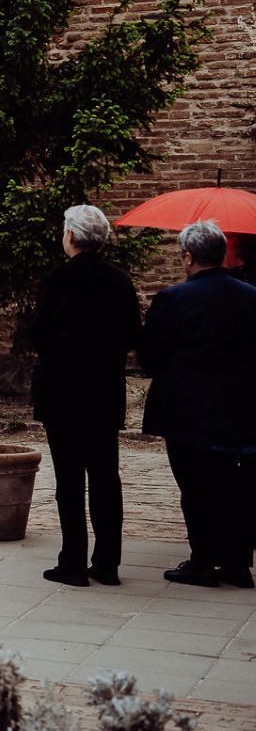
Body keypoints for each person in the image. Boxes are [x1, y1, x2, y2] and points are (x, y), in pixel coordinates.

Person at [139, 219, 256, 588]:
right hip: (242, 408)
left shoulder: (173, 300)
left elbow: (149, 358)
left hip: (188, 410)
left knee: (196, 487)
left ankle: (203, 560)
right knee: (239, 487)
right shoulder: (252, 296)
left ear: (188, 257)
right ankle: (239, 564)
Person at [30, 204, 140, 588]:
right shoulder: (120, 280)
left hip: (63, 391)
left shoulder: (58, 278)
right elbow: (132, 334)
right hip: (103, 389)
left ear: (71, 236)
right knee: (106, 477)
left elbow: (38, 334)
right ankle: (108, 562)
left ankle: (73, 560)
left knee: (70, 480)